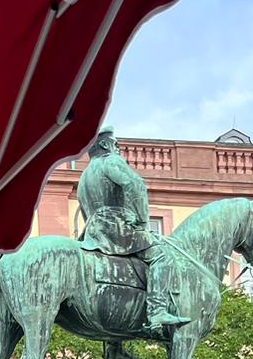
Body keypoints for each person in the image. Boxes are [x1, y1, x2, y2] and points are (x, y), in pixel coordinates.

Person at [76, 127, 189, 334]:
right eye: (116, 144)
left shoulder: (85, 175)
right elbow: (136, 185)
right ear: (104, 145)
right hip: (117, 228)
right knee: (162, 256)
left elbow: (85, 210)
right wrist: (142, 220)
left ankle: (115, 344)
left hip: (94, 233)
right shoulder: (111, 161)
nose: (119, 149)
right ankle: (157, 311)